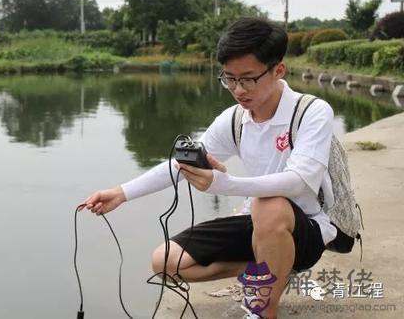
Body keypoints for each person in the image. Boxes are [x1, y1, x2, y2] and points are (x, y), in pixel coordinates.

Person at [80, 17, 337, 319]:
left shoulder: (311, 111)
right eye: (229, 79)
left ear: (278, 70)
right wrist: (122, 193)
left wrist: (223, 184)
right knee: (165, 262)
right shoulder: (235, 119)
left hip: (305, 228)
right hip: (255, 222)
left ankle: (263, 310)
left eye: (248, 78)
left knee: (270, 205)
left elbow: (297, 182)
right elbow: (180, 165)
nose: (238, 89)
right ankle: (270, 264)